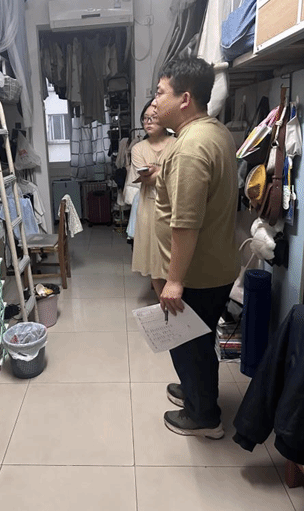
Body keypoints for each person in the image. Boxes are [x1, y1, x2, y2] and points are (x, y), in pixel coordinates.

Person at [152, 57, 239, 439]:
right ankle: (194, 390)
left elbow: (186, 223)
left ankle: (204, 416)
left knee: (189, 345)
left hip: (197, 275)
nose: (155, 101)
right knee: (198, 342)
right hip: (216, 265)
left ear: (184, 98)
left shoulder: (190, 147)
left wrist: (174, 281)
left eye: (160, 93)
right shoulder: (215, 131)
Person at [131, 100, 174, 297]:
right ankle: (162, 302)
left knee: (174, 255)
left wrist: (156, 171)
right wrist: (166, 171)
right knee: (153, 258)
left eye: (153, 118)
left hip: (174, 207)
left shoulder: (177, 144)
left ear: (164, 119)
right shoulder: (138, 148)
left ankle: (175, 297)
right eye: (145, 118)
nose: (148, 122)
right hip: (148, 208)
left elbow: (180, 175)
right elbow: (146, 179)